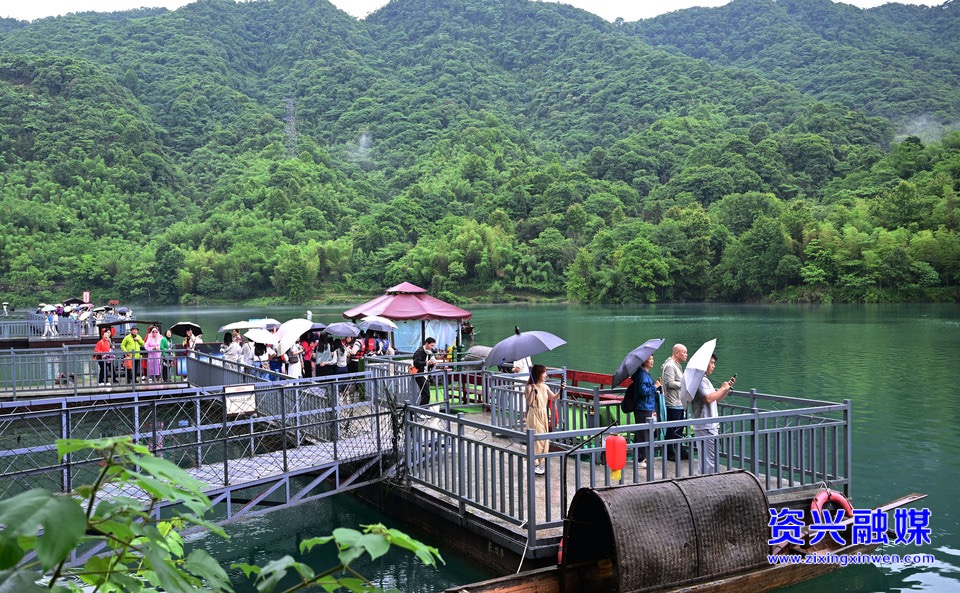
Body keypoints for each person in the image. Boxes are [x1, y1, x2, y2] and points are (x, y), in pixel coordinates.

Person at [690, 353, 736, 475]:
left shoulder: (704, 380)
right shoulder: (700, 381)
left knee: (708, 457)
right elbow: (708, 398)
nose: (713, 366)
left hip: (708, 424)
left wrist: (726, 389)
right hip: (706, 424)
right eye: (711, 363)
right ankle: (709, 482)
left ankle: (704, 480)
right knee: (710, 459)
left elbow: (715, 400)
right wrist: (722, 388)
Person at [524, 364, 563, 475]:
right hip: (534, 414)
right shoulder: (529, 387)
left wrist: (561, 389)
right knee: (537, 439)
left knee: (544, 439)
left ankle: (540, 463)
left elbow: (554, 398)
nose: (545, 375)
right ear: (538, 374)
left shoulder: (545, 387)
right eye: (543, 373)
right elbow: (530, 403)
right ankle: (535, 463)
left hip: (543, 415)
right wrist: (533, 391)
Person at [630, 355, 661, 469]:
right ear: (644, 361)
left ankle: (642, 457)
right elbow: (643, 391)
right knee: (643, 434)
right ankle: (640, 459)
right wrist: (655, 386)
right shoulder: (642, 375)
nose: (652, 361)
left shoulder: (644, 373)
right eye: (650, 359)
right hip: (643, 407)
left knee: (643, 433)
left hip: (647, 406)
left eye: (653, 359)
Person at [661, 343, 690, 461]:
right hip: (673, 402)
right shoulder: (670, 366)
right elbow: (669, 383)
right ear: (677, 353)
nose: (686, 355)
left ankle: (680, 450)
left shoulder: (677, 365)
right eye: (684, 353)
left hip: (679, 402)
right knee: (672, 429)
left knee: (679, 428)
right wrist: (683, 384)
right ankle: (669, 453)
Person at [412, 337, 437, 407]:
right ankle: (422, 411)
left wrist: (433, 363)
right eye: (431, 345)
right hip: (420, 374)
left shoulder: (429, 352)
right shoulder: (419, 352)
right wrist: (427, 363)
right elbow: (416, 363)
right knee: (426, 394)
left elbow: (431, 360)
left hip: (426, 374)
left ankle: (423, 410)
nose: (432, 347)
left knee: (425, 394)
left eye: (433, 346)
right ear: (426, 343)